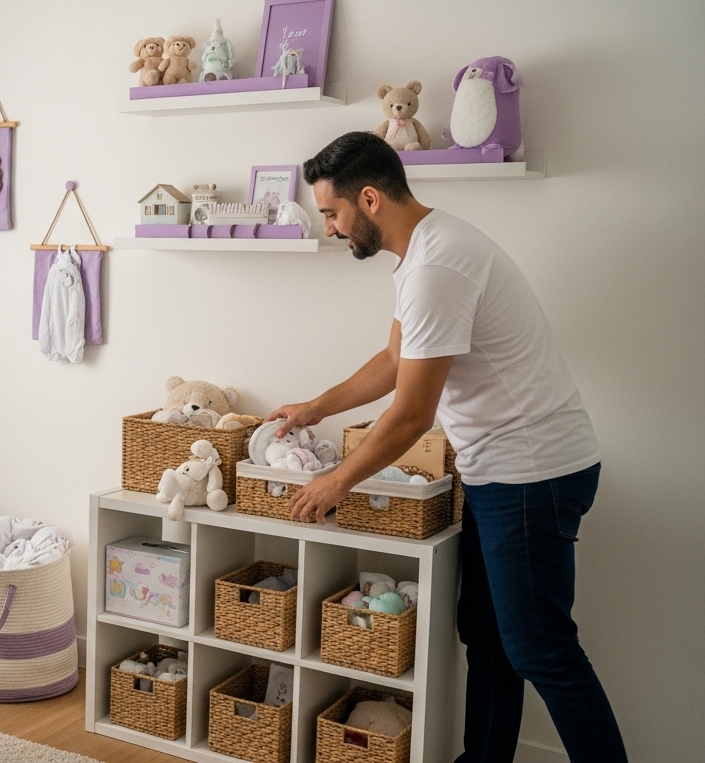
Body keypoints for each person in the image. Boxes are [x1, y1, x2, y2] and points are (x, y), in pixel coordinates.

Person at [268, 132, 627, 762]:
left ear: (370, 199)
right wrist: (316, 407)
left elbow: (410, 414)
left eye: (331, 212)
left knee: (541, 648)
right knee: (487, 637)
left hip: (531, 472)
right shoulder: (423, 253)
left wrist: (336, 481)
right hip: (500, 471)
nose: (328, 227)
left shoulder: (437, 266)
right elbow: (393, 359)